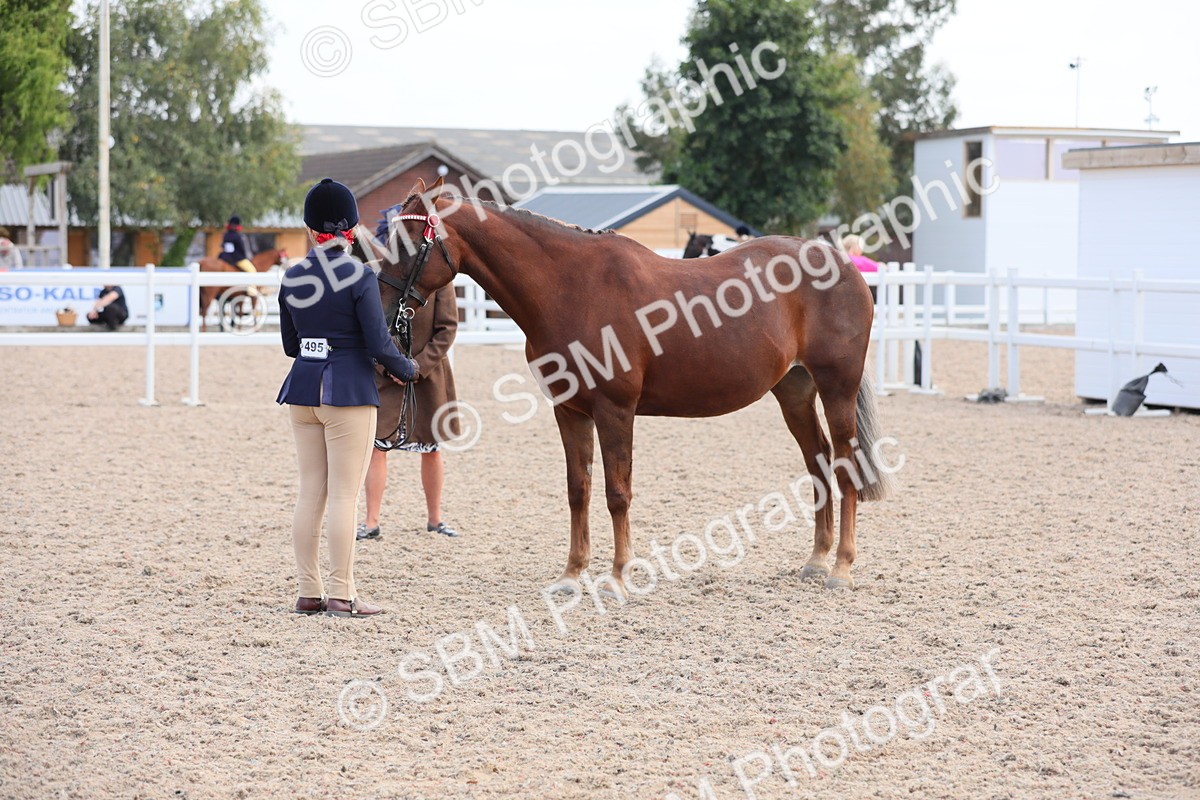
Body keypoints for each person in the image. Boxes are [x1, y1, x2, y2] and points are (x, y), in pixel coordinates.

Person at [276, 178, 419, 619]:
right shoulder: (360, 275)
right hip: (348, 394)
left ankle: (308, 591)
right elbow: (378, 344)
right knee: (343, 497)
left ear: (310, 229)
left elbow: (289, 344)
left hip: (302, 392)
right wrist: (408, 369)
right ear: (352, 230)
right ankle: (342, 593)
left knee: (310, 494)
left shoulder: (293, 276)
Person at [358, 270, 461, 541]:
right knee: (377, 446)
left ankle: (435, 519)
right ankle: (371, 522)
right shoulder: (379, 275)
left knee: (431, 447)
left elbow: (447, 329)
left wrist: (417, 367)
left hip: (429, 374)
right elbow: (370, 325)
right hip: (385, 371)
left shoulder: (442, 279)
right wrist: (391, 363)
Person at [842, 234, 881, 301]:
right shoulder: (860, 261)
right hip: (859, 294)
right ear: (854, 247)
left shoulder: (841, 259)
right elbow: (878, 268)